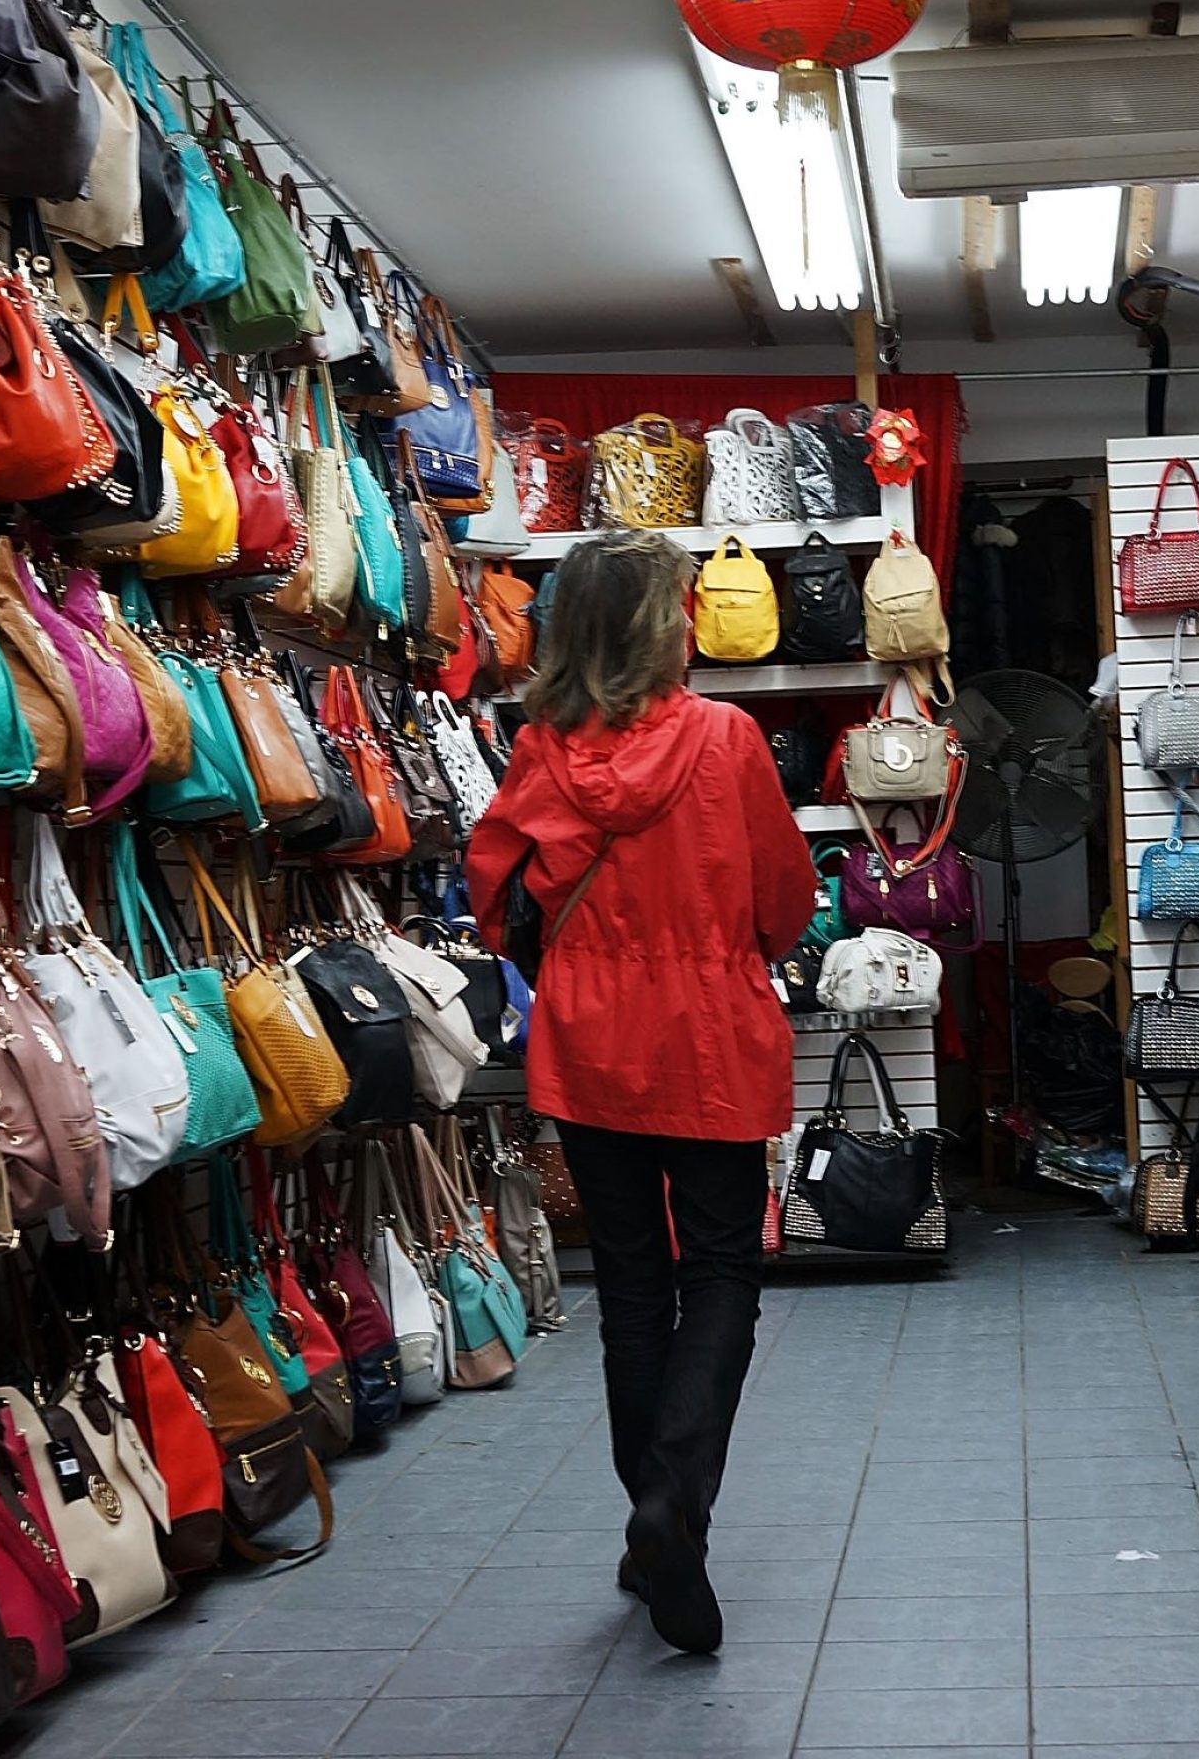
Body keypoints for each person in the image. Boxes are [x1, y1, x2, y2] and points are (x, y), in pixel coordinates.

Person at [464, 529, 811, 1656]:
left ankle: (652, 1524)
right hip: (709, 1034)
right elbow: (782, 903)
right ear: (667, 626)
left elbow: (492, 892)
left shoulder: (538, 748)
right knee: (720, 1273)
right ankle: (675, 1509)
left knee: (628, 1288)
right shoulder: (726, 737)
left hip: (589, 1039)